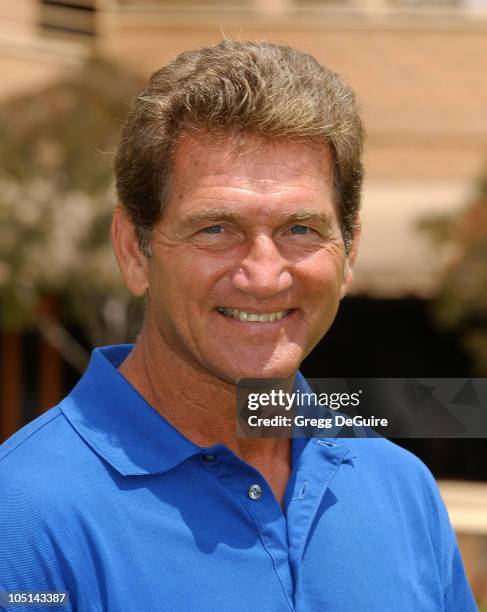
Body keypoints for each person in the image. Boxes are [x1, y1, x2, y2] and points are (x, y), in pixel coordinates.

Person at [0, 40, 477, 612]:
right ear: (133, 249)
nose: (264, 276)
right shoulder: (24, 516)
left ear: (349, 253)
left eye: (301, 228)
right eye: (216, 228)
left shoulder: (402, 490)